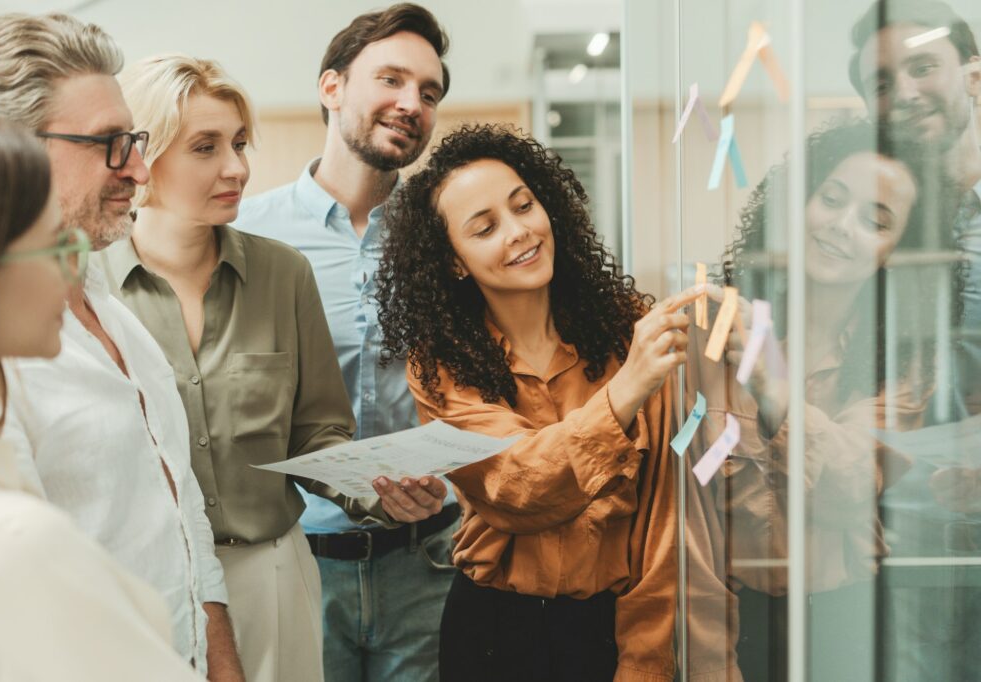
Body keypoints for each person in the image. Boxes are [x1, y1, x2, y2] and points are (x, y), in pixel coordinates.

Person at [104, 53, 447, 682]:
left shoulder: (282, 273)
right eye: (205, 147)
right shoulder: (90, 288)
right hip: (145, 586)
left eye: (238, 143)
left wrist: (378, 491)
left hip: (273, 576)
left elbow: (318, 432)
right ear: (141, 157)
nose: (237, 167)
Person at [0, 14, 243, 679]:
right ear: (7, 150)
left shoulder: (114, 309)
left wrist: (219, 655)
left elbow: (180, 506)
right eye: (111, 144)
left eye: (135, 140)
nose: (140, 170)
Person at [375, 123, 710, 681]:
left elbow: (663, 520)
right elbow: (516, 485)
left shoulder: (629, 330)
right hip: (493, 629)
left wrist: (646, 658)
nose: (519, 232)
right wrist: (627, 389)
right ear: (454, 262)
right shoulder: (439, 365)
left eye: (524, 205)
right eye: (484, 228)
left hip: (611, 625)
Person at [234, 5, 460, 680]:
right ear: (331, 87)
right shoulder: (249, 235)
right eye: (390, 79)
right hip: (302, 562)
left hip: (430, 564)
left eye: (428, 92)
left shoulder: (447, 236)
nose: (410, 103)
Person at [690, 119, 959, 681]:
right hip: (724, 606)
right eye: (830, 199)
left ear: (897, 250)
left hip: (843, 612)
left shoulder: (901, 364)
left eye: (875, 221)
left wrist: (777, 392)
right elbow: (685, 470)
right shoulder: (720, 323)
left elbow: (851, 488)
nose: (840, 227)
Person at [849, 4, 981, 679]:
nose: (903, 92)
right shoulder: (863, 220)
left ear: (975, 75)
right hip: (907, 529)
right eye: (879, 81)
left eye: (923, 66)